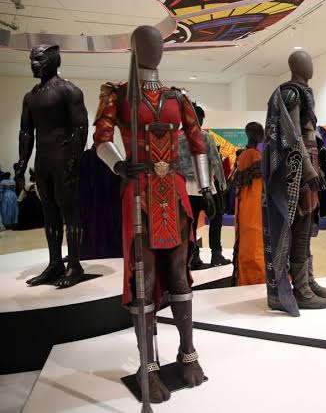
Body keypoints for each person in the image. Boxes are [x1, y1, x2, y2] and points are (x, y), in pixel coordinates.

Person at [94, 26, 214, 402]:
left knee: (179, 274)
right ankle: (148, 364)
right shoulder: (118, 95)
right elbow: (101, 138)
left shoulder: (178, 97)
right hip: (139, 193)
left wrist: (207, 188)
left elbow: (197, 142)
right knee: (143, 278)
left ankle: (188, 352)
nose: (154, 49)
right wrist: (118, 164)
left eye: (158, 43)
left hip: (174, 194)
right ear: (134, 48)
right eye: (147, 44)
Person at [262, 50, 326, 316]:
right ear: (298, 66)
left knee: (306, 230)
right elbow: (293, 138)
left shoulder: (303, 93)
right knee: (299, 230)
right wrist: (308, 171)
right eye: (308, 62)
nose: (311, 66)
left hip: (308, 167)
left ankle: (308, 282)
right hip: (296, 174)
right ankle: (301, 290)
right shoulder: (291, 94)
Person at [16, 44, 88, 287]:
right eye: (32, 59)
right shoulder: (31, 97)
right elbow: (26, 132)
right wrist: (22, 163)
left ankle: (75, 265)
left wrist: (74, 159)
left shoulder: (69, 91)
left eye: (39, 59)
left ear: (54, 61)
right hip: (43, 160)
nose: (34, 64)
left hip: (63, 158)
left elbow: (80, 127)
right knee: (49, 213)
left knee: (69, 212)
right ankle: (55, 263)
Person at [178, 103, 229, 269]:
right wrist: (222, 183)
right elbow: (216, 161)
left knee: (190, 225)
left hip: (186, 189)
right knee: (216, 220)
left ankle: (194, 257)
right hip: (207, 188)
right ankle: (216, 254)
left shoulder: (177, 138)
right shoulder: (206, 137)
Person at [232, 122, 266, 286]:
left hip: (242, 206)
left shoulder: (242, 155)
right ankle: (256, 278)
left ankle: (244, 277)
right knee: (255, 242)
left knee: (245, 242)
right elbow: (259, 186)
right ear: (259, 136)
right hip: (254, 206)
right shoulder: (255, 156)